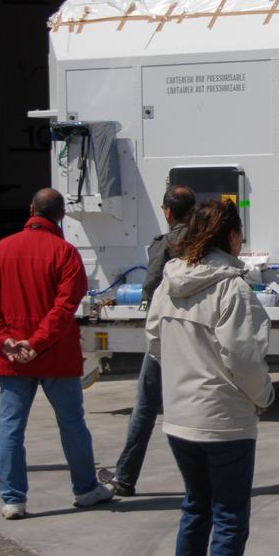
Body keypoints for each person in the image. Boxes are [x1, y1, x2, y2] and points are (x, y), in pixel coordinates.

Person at [147, 198, 274, 556]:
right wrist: (264, 396)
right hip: (225, 421)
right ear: (232, 235)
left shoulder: (170, 280)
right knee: (229, 518)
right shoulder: (231, 286)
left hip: (180, 419)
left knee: (195, 509)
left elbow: (153, 339)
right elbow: (244, 358)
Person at [0, 188, 114, 520]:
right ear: (61, 215)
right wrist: (36, 342)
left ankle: (13, 499)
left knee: (11, 428)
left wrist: (5, 339)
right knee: (72, 425)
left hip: (11, 356)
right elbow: (65, 307)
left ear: (30, 209)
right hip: (54, 354)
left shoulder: (3, 250)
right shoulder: (65, 253)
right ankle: (85, 488)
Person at [98, 185, 196, 496]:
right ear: (192, 211)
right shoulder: (204, 242)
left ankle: (125, 477)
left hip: (167, 338)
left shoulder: (165, 245)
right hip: (198, 336)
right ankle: (202, 479)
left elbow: (151, 284)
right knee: (195, 406)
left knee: (145, 407)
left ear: (168, 212)